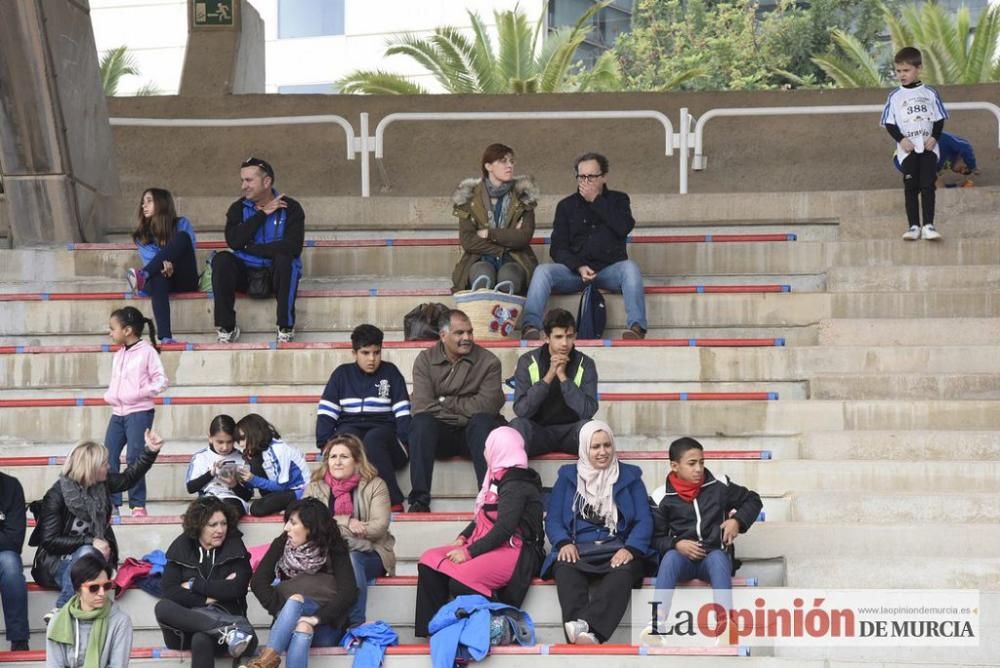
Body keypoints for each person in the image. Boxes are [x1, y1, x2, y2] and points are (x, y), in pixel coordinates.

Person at [414, 427, 543, 638]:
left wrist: (469, 552)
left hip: (514, 550)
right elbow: (483, 515)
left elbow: (504, 528)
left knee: (461, 579)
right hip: (489, 542)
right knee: (429, 560)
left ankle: (502, 616)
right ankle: (431, 632)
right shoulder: (496, 476)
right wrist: (463, 537)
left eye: (487, 446)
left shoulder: (517, 482)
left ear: (499, 449)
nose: (484, 451)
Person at [542, 420, 653, 645]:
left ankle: (589, 631)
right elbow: (553, 519)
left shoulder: (630, 477)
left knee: (624, 572)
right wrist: (563, 542)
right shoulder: (567, 476)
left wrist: (631, 549)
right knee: (564, 569)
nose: (603, 452)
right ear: (584, 449)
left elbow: (644, 520)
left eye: (607, 445)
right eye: (595, 447)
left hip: (617, 548)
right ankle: (581, 637)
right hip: (579, 549)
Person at [30, 433, 162, 621]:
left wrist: (150, 451)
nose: (108, 467)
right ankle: (62, 609)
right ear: (90, 468)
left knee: (88, 557)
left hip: (92, 563)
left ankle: (65, 612)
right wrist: (90, 541)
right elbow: (49, 541)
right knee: (86, 551)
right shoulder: (57, 495)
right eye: (104, 463)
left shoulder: (101, 483)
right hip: (56, 564)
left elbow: (128, 479)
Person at [521, 152, 647, 340]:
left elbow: (624, 227)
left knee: (631, 268)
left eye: (592, 177)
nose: (586, 181)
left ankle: (637, 327)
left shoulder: (618, 200)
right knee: (543, 271)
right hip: (575, 272)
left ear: (604, 177)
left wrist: (596, 201)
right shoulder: (566, 206)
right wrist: (578, 266)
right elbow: (557, 247)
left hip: (609, 270)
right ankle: (530, 326)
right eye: (581, 177)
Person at [647, 437, 762, 634]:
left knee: (717, 557)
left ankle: (725, 625)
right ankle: (658, 623)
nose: (698, 469)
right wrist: (676, 544)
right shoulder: (660, 497)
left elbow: (753, 500)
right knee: (670, 558)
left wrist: (737, 521)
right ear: (675, 466)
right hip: (682, 561)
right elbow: (655, 539)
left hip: (714, 559)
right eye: (691, 464)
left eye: (701, 462)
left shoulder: (719, 485)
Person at [407, 309, 505, 512]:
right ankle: (419, 501)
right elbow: (422, 405)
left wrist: (444, 401)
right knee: (421, 423)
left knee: (483, 421)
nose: (467, 338)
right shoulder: (425, 360)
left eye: (470, 332)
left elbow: (488, 405)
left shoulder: (489, 362)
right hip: (441, 436)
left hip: (475, 436)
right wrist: (464, 408)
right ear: (443, 336)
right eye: (459, 333)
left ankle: (489, 497)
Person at [243, 498, 358, 668]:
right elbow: (258, 582)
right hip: (285, 624)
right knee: (298, 614)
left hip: (325, 625)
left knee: (302, 618)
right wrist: (284, 611)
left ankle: (265, 662)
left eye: (293, 523)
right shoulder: (282, 543)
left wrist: (316, 618)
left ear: (310, 527)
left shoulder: (334, 547)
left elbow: (348, 592)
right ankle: (266, 661)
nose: (286, 528)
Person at [315, 324, 411, 509]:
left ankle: (392, 499)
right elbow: (327, 412)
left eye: (376, 352)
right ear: (354, 353)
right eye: (365, 353)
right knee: (346, 440)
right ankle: (341, 500)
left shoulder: (391, 373)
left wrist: (406, 441)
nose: (372, 359)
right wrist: (324, 442)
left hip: (385, 435)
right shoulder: (342, 374)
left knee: (373, 439)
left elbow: (402, 412)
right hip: (351, 428)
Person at [305, 434, 396, 628]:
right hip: (325, 553)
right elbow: (309, 526)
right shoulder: (315, 488)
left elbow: (379, 527)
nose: (337, 462)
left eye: (344, 457)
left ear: (356, 461)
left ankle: (356, 625)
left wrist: (333, 528)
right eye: (333, 457)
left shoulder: (375, 485)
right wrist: (347, 521)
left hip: (371, 553)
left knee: (352, 558)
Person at [212, 156, 305, 343]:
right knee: (221, 259)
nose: (243, 186)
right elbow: (234, 241)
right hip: (246, 275)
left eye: (248, 180)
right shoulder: (237, 208)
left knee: (285, 259)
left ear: (267, 181)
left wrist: (251, 248)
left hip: (275, 275)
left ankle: (285, 327)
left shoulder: (291, 208)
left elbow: (292, 247)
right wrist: (262, 214)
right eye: (242, 180)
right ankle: (227, 327)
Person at [154, 498, 256, 667]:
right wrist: (207, 599)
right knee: (162, 607)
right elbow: (169, 591)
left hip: (226, 624)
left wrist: (194, 585)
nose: (220, 530)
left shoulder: (235, 547)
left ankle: (227, 630)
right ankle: (229, 629)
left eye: (223, 523)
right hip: (187, 627)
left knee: (201, 638)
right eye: (213, 524)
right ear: (199, 525)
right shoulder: (182, 548)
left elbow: (237, 588)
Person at [450, 143, 539, 295]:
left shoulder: (524, 196)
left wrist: (489, 234)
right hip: (479, 258)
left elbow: (524, 236)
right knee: (482, 278)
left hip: (515, 259)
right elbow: (467, 240)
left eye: (511, 161)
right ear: (488, 166)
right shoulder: (469, 196)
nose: (509, 166)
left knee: (509, 279)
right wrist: (503, 244)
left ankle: (506, 319)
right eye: (503, 161)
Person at [103, 306, 166, 517]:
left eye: (113, 328)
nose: (110, 333)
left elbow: (161, 380)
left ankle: (137, 504)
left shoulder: (147, 352)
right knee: (108, 456)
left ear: (128, 330)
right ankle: (112, 503)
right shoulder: (119, 354)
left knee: (134, 458)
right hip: (117, 413)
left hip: (139, 412)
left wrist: (139, 393)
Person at [881, 46, 949, 241]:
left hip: (928, 148)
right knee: (911, 186)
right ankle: (913, 226)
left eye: (906, 70)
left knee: (928, 185)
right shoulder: (894, 97)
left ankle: (928, 225)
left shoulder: (930, 93)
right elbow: (889, 122)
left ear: (918, 68)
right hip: (908, 151)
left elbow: (939, 118)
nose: (902, 75)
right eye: (899, 71)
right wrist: (901, 140)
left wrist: (934, 138)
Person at [510, 308, 598, 456]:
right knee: (517, 426)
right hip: (538, 431)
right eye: (558, 337)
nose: (564, 343)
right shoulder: (527, 361)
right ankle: (516, 478)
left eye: (569, 336)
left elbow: (587, 411)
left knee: (593, 429)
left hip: (571, 431)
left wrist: (563, 378)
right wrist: (549, 376)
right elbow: (521, 410)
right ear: (546, 337)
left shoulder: (585, 363)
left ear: (575, 336)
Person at [126, 187, 199, 343]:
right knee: (158, 275)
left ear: (161, 203)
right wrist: (162, 266)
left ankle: (143, 275)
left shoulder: (181, 223)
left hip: (183, 278)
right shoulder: (142, 235)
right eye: (142, 202)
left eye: (149, 201)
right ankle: (166, 337)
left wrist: (172, 264)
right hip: (159, 278)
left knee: (183, 237)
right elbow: (153, 261)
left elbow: (187, 251)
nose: (143, 206)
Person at [45, 554, 133, 668]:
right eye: (94, 588)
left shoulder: (120, 621)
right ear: (78, 589)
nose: (101, 593)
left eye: (106, 586)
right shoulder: (58, 621)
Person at [234, 414, 309, 517]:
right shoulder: (262, 451)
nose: (240, 444)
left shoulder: (278, 450)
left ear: (254, 433)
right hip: (284, 490)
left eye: (242, 438)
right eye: (238, 441)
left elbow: (281, 486)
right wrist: (243, 480)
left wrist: (253, 479)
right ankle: (285, 505)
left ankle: (293, 505)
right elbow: (262, 481)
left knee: (257, 508)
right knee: (257, 506)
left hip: (299, 491)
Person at [186, 414, 253, 518]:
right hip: (208, 499)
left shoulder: (241, 458)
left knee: (229, 510)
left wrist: (234, 485)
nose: (225, 447)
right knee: (200, 513)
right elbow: (191, 488)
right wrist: (210, 474)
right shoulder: (201, 457)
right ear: (210, 438)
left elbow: (247, 496)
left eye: (229, 442)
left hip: (233, 500)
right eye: (220, 442)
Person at [0, 471, 29, 651]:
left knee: (10, 565)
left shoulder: (11, 486)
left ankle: (19, 640)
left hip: (3, 554)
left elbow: (14, 540)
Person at [892, 131, 978, 188]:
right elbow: (965, 146)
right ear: (963, 157)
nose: (963, 171)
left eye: (963, 172)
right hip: (908, 152)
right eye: (966, 167)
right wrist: (973, 166)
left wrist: (958, 186)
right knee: (935, 182)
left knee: (934, 184)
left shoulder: (940, 166)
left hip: (914, 161)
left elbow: (938, 186)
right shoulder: (950, 145)